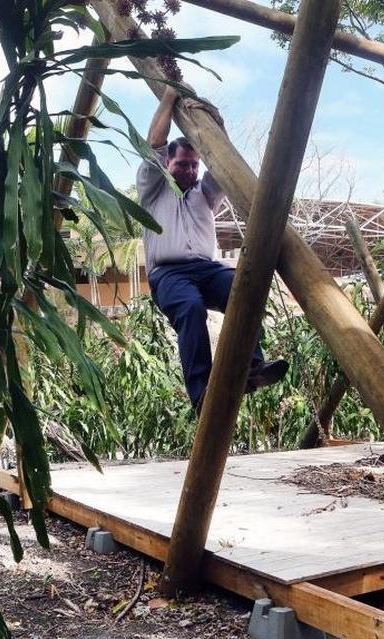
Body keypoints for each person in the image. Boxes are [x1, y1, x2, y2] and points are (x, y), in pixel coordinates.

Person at [136, 88, 288, 412]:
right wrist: (168, 96)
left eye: (194, 166)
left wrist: (216, 123)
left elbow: (222, 162)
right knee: (191, 309)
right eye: (182, 165)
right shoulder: (153, 188)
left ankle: (251, 366)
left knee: (244, 286)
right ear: (168, 163)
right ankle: (201, 391)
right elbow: (154, 144)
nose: (189, 171)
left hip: (207, 270)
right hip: (169, 275)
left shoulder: (204, 194)